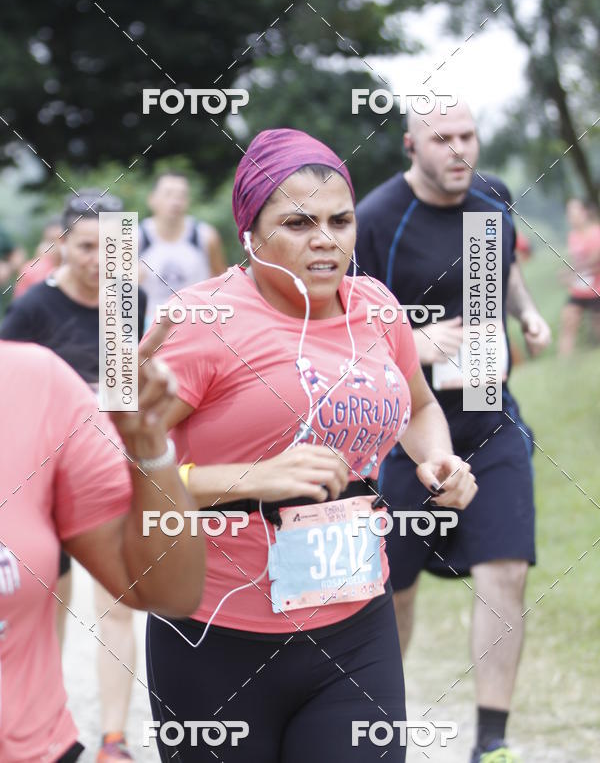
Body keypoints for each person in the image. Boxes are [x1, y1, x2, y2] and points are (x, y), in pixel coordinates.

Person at [144, 127, 477, 763]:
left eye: (340, 220)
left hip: (353, 630)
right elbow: (114, 472)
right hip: (212, 632)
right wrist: (252, 478)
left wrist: (438, 457)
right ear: (249, 230)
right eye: (298, 222)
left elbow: (421, 406)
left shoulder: (377, 308)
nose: (325, 239)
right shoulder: (200, 322)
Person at [355, 99, 552, 763]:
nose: (459, 149)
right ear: (412, 145)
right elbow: (344, 331)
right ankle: (382, 728)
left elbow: (509, 273)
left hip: (491, 419)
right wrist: (417, 342)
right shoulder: (379, 217)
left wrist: (525, 315)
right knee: (396, 592)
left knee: (506, 570)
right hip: (406, 435)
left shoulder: (491, 201)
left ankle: (491, 743)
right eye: (443, 138)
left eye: (468, 135)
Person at [0, 325, 205, 763]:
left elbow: (168, 591)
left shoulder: (36, 382)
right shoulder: (37, 312)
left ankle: (114, 737)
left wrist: (148, 444)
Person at [0, 191, 148, 762]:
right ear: (61, 245)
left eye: (113, 248)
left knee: (119, 600)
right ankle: (43, 722)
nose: (99, 260)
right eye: (88, 247)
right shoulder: (34, 308)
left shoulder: (124, 300)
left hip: (105, 473)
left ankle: (114, 737)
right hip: (42, 482)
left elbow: (121, 388)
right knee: (46, 606)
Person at [138, 171, 227, 324]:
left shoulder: (205, 236)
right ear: (152, 199)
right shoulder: (135, 238)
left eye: (181, 196)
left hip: (194, 323)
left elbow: (223, 285)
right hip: (147, 324)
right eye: (168, 194)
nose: (175, 201)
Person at [558, 197, 600, 356]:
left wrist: (571, 274)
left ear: (584, 213)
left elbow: (595, 262)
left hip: (596, 290)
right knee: (568, 321)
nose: (571, 217)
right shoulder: (573, 236)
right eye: (569, 213)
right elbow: (577, 262)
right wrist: (571, 275)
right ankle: (563, 366)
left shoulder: (596, 233)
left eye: (574, 212)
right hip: (579, 291)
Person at [13, 214, 63, 298]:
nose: (56, 246)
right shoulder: (31, 271)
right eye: (51, 240)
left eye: (61, 240)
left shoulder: (80, 270)